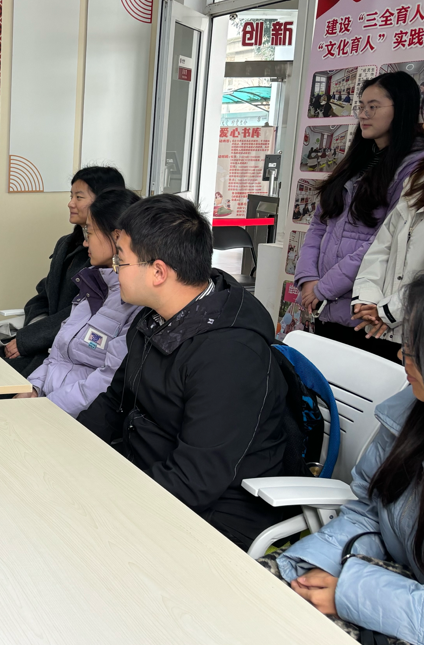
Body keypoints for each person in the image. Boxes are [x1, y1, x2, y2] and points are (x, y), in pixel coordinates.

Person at [77, 194, 295, 550]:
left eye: (122, 260)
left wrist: (110, 499)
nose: (115, 268)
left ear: (158, 272)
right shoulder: (156, 317)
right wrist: (69, 448)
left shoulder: (230, 355)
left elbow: (195, 479)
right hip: (149, 475)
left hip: (218, 514)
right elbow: (115, 401)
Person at [261, 273, 424, 645]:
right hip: (388, 587)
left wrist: (349, 594)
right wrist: (312, 565)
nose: (402, 356)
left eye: (413, 348)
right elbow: (369, 510)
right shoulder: (407, 413)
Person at [295, 71, 422, 355]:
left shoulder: (413, 169)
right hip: (325, 307)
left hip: (366, 316)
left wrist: (324, 288)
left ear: (402, 109)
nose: (363, 114)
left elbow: (383, 244)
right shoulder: (357, 160)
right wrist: (307, 278)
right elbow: (319, 224)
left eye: (373, 107)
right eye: (361, 106)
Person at [15, 188, 142, 416]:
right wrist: (33, 388)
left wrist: (44, 408)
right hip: (47, 404)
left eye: (89, 232)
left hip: (75, 418)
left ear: (116, 237)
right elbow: (57, 357)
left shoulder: (135, 302)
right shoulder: (93, 286)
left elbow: (107, 381)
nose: (84, 243)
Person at [0, 166, 126, 376]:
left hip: (59, 351)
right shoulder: (66, 244)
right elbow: (44, 293)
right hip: (44, 341)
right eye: (71, 196)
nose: (71, 203)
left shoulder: (105, 262)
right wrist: (33, 327)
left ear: (105, 202)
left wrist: (31, 339)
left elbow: (78, 315)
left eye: (79, 197)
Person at [351, 141, 424, 363]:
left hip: (413, 329)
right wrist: (368, 299)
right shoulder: (416, 179)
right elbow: (381, 247)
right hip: (385, 328)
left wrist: (387, 311)